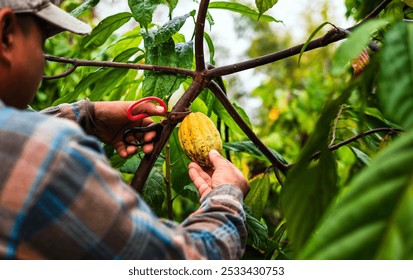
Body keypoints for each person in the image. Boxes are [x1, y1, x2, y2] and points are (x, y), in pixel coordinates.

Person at [0, 0, 249, 259]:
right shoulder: (45, 151)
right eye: (41, 44)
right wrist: (226, 199)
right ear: (6, 34)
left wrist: (87, 116)